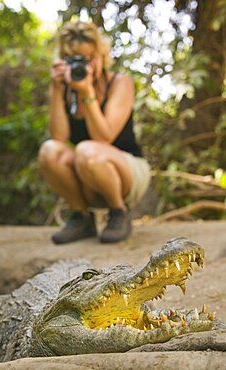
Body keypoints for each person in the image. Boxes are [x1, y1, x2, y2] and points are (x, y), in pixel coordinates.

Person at [38, 21, 151, 244]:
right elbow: (59, 138)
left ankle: (119, 212)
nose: (85, 66)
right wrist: (56, 89)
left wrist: (87, 94)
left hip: (126, 172)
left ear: (102, 55)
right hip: (86, 172)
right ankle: (82, 218)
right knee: (49, 150)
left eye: (90, 59)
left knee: (87, 150)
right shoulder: (64, 88)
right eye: (76, 60)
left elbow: (103, 138)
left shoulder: (120, 83)